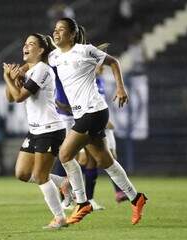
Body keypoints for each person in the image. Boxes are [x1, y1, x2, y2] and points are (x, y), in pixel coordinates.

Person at [48, 17, 147, 225]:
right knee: (106, 161)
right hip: (82, 113)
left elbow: (113, 62)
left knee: (65, 154)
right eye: (55, 29)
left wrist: (120, 87)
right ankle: (137, 198)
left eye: (62, 29)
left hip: (93, 112)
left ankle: (83, 202)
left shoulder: (85, 51)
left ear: (73, 34)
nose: (56, 32)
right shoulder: (55, 56)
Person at [3, 33, 68, 229]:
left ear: (40, 50)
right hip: (35, 131)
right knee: (22, 173)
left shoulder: (42, 70)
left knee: (40, 176)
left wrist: (8, 78)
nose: (26, 46)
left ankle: (60, 218)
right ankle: (64, 182)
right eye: (25, 43)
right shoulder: (27, 70)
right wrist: (12, 79)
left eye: (31, 44)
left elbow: (20, 97)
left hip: (50, 130)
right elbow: (10, 98)